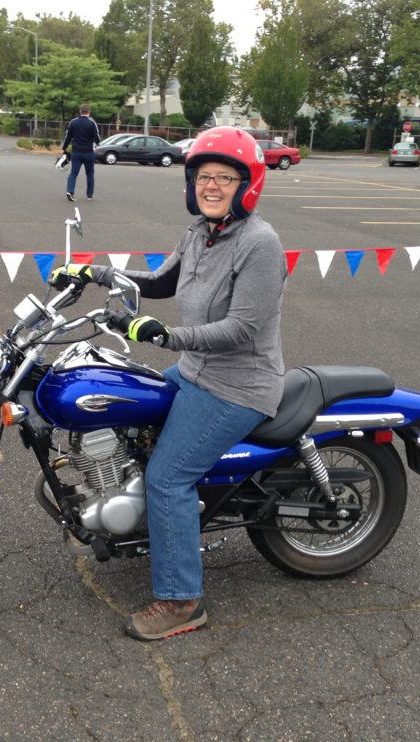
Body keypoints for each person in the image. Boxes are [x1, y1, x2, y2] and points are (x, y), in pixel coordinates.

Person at [49, 127, 287, 640]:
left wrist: (166, 335)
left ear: (247, 184)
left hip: (238, 386)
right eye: (204, 177)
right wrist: (97, 274)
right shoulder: (200, 233)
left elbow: (242, 328)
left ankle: (182, 602)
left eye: (225, 178)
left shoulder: (260, 244)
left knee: (167, 478)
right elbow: (159, 283)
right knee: (134, 424)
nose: (213, 186)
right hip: (197, 372)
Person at [61, 104, 100, 202]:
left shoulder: (73, 122)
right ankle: (89, 195)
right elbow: (97, 137)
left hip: (76, 152)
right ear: (89, 112)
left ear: (80, 111)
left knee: (73, 173)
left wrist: (64, 148)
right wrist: (97, 143)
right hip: (88, 152)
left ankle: (70, 191)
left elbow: (68, 137)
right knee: (90, 174)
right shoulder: (92, 123)